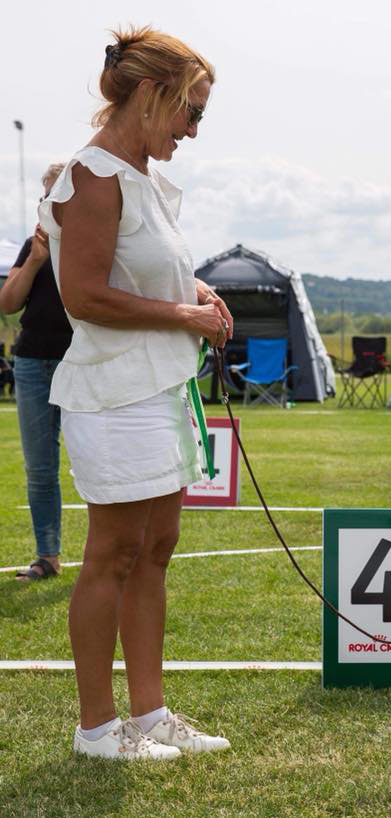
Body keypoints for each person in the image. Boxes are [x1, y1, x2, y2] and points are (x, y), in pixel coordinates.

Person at [37, 26, 233, 761]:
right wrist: (186, 314)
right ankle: (97, 729)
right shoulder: (92, 176)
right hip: (113, 395)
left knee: (156, 549)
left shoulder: (140, 177)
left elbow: (143, 277)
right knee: (113, 554)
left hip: (159, 386)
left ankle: (150, 716)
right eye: (191, 111)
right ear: (151, 95)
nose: (191, 130)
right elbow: (84, 296)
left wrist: (198, 293)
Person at [1, 163, 72, 581]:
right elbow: (8, 303)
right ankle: (48, 556)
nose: (48, 204)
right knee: (40, 468)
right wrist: (34, 261)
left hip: (81, 365)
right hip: (32, 364)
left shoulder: (96, 244)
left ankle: (108, 558)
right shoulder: (33, 245)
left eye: (56, 196)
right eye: (44, 197)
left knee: (94, 465)